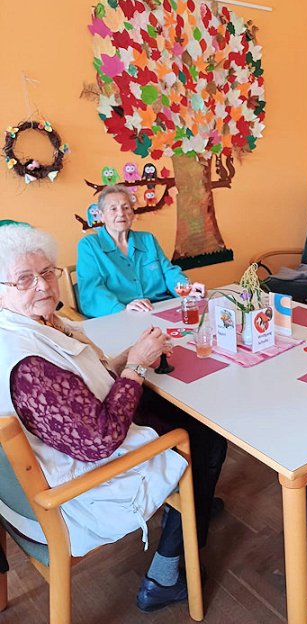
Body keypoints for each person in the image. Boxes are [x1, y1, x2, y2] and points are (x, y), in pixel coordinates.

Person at [0, 224, 226, 612]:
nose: (43, 286)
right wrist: (135, 365)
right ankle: (165, 574)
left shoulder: (31, 326)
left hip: (30, 483)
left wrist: (127, 358)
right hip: (77, 494)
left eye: (48, 272)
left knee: (173, 412)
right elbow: (100, 440)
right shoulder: (29, 364)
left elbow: (80, 381)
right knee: (205, 439)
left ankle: (193, 502)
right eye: (24, 279)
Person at [77, 184, 204, 318]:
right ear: (101, 216)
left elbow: (169, 271)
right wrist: (122, 309)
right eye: (113, 209)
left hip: (161, 308)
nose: (121, 213)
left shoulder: (147, 239)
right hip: (121, 316)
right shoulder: (89, 246)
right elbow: (91, 291)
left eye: (126, 207)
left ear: (132, 213)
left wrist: (187, 288)